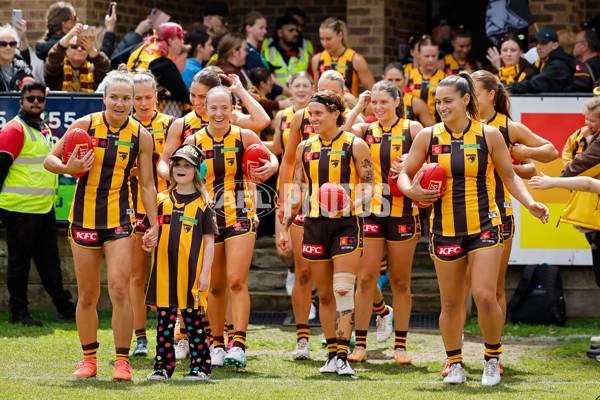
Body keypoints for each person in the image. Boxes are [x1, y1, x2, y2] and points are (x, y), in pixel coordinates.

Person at [396, 72, 549, 386]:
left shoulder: (490, 134)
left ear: (466, 100)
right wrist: (410, 191)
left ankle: (492, 359)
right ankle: (454, 364)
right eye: (438, 101)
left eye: (448, 101)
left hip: (485, 225)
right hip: (444, 230)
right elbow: (403, 173)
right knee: (451, 302)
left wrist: (530, 203)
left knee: (483, 294)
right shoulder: (427, 136)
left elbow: (510, 177)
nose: (441, 107)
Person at [44, 66, 158, 381]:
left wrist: (154, 224)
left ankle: (122, 361)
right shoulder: (84, 125)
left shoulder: (141, 136)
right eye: (114, 98)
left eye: (126, 99)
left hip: (121, 221)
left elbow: (148, 185)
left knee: (120, 288)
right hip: (82, 219)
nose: (119, 104)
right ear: (104, 98)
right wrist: (69, 166)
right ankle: (89, 360)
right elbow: (49, 160)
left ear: (133, 101)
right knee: (89, 294)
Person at [454, 70, 558, 377]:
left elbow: (550, 151)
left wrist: (527, 153)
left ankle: (492, 355)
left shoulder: (506, 125)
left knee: (492, 289)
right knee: (458, 289)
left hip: (497, 214)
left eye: (471, 89)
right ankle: (454, 353)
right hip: (457, 215)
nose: (467, 94)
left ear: (489, 95)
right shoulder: (456, 123)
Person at [277, 89, 374, 376]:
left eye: (318, 113)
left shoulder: (355, 145)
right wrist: (284, 225)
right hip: (315, 225)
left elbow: (370, 189)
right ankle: (331, 355)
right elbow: (297, 189)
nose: (312, 119)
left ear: (335, 113)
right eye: (310, 114)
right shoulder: (304, 147)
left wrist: (348, 206)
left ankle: (343, 356)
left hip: (346, 224)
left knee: (342, 289)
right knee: (325, 296)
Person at [183, 85, 278, 369]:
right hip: (208, 218)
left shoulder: (243, 135)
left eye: (225, 107)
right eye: (214, 107)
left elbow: (269, 155)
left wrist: (271, 166)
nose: (219, 113)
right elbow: (181, 175)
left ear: (233, 109)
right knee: (214, 286)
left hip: (241, 215)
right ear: (205, 109)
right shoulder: (194, 140)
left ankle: (239, 344)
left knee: (237, 281)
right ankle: (217, 344)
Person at [343, 80, 424, 364]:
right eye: (374, 102)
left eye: (383, 102)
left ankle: (400, 346)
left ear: (397, 102)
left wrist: (414, 170)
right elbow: (338, 134)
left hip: (403, 211)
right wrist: (358, 107)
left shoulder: (414, 129)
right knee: (365, 279)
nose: (378, 107)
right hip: (370, 211)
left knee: (401, 282)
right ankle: (360, 345)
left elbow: (432, 162)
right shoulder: (365, 129)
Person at [0, 80, 76, 326]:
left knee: (50, 261)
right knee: (19, 263)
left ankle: (64, 308)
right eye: (30, 98)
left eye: (39, 99)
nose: (35, 102)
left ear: (45, 101)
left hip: (43, 210)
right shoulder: (15, 129)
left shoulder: (41, 130)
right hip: (18, 209)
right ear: (20, 101)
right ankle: (18, 313)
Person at [143, 144, 217, 381]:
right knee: (164, 322)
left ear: (197, 171)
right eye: (177, 164)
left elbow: (209, 244)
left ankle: (200, 368)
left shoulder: (204, 204)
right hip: (164, 273)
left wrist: (205, 274)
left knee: (193, 321)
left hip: (192, 275)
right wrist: (147, 241)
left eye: (187, 165)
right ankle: (163, 367)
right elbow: (150, 233)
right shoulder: (160, 199)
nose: (181, 169)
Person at [263, 71, 315, 358]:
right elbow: (283, 156)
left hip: (331, 196)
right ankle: (303, 336)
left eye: (306, 85)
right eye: (296, 85)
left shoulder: (337, 116)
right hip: (297, 193)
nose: (301, 89)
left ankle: (338, 343)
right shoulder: (285, 118)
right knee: (292, 259)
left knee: (322, 269)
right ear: (291, 89)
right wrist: (284, 199)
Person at [128, 69, 175, 357]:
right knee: (136, 275)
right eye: (138, 98)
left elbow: (174, 164)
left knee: (169, 274)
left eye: (148, 97)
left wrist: (162, 169)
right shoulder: (123, 125)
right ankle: (140, 338)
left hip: (167, 208)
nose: (143, 103)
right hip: (132, 208)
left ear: (157, 96)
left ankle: (171, 335)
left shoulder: (171, 125)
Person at [158, 70, 270, 182]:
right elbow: (164, 160)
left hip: (236, 195)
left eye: (202, 97)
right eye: (192, 95)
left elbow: (262, 121)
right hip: (198, 196)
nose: (196, 102)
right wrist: (166, 173)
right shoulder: (181, 124)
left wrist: (240, 91)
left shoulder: (228, 117)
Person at [127, 22, 190, 105]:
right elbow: (185, 95)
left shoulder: (142, 46)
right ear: (170, 41)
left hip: (126, 99)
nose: (182, 42)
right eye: (180, 38)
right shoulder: (164, 64)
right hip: (143, 109)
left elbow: (114, 60)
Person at [311, 18, 375, 98]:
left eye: (328, 39)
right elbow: (316, 90)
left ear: (340, 36)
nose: (324, 43)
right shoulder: (317, 59)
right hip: (325, 107)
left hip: (349, 108)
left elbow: (373, 92)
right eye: (322, 39)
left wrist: (358, 104)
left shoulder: (355, 59)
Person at [508, 28, 575, 94]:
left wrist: (510, 88)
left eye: (543, 43)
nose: (538, 47)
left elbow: (536, 85)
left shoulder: (559, 65)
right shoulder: (542, 64)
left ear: (555, 45)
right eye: (536, 43)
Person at [44, 26, 111, 91]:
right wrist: (68, 37)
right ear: (66, 50)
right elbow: (53, 60)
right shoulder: (59, 68)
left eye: (83, 47)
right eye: (74, 46)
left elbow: (107, 74)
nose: (79, 49)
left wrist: (92, 50)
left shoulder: (93, 70)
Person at [262, 16, 311, 88]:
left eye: (297, 30)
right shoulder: (265, 54)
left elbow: (312, 81)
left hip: (300, 97)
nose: (295, 33)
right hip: (276, 98)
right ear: (280, 33)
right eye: (291, 30)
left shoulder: (306, 55)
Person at [406, 35, 445, 122]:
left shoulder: (445, 79)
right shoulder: (407, 77)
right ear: (418, 55)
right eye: (426, 56)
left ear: (438, 54)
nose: (430, 60)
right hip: (412, 129)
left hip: (436, 127)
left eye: (433, 56)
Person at [382, 62, 436, 127]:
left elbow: (434, 131)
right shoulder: (374, 103)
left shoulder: (416, 103)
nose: (394, 84)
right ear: (383, 79)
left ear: (405, 79)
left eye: (398, 80)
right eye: (390, 80)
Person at [0, 25, 32, 91]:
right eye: (3, 44)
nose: (8, 48)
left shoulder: (22, 67)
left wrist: (42, 89)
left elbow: (33, 88)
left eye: (12, 44)